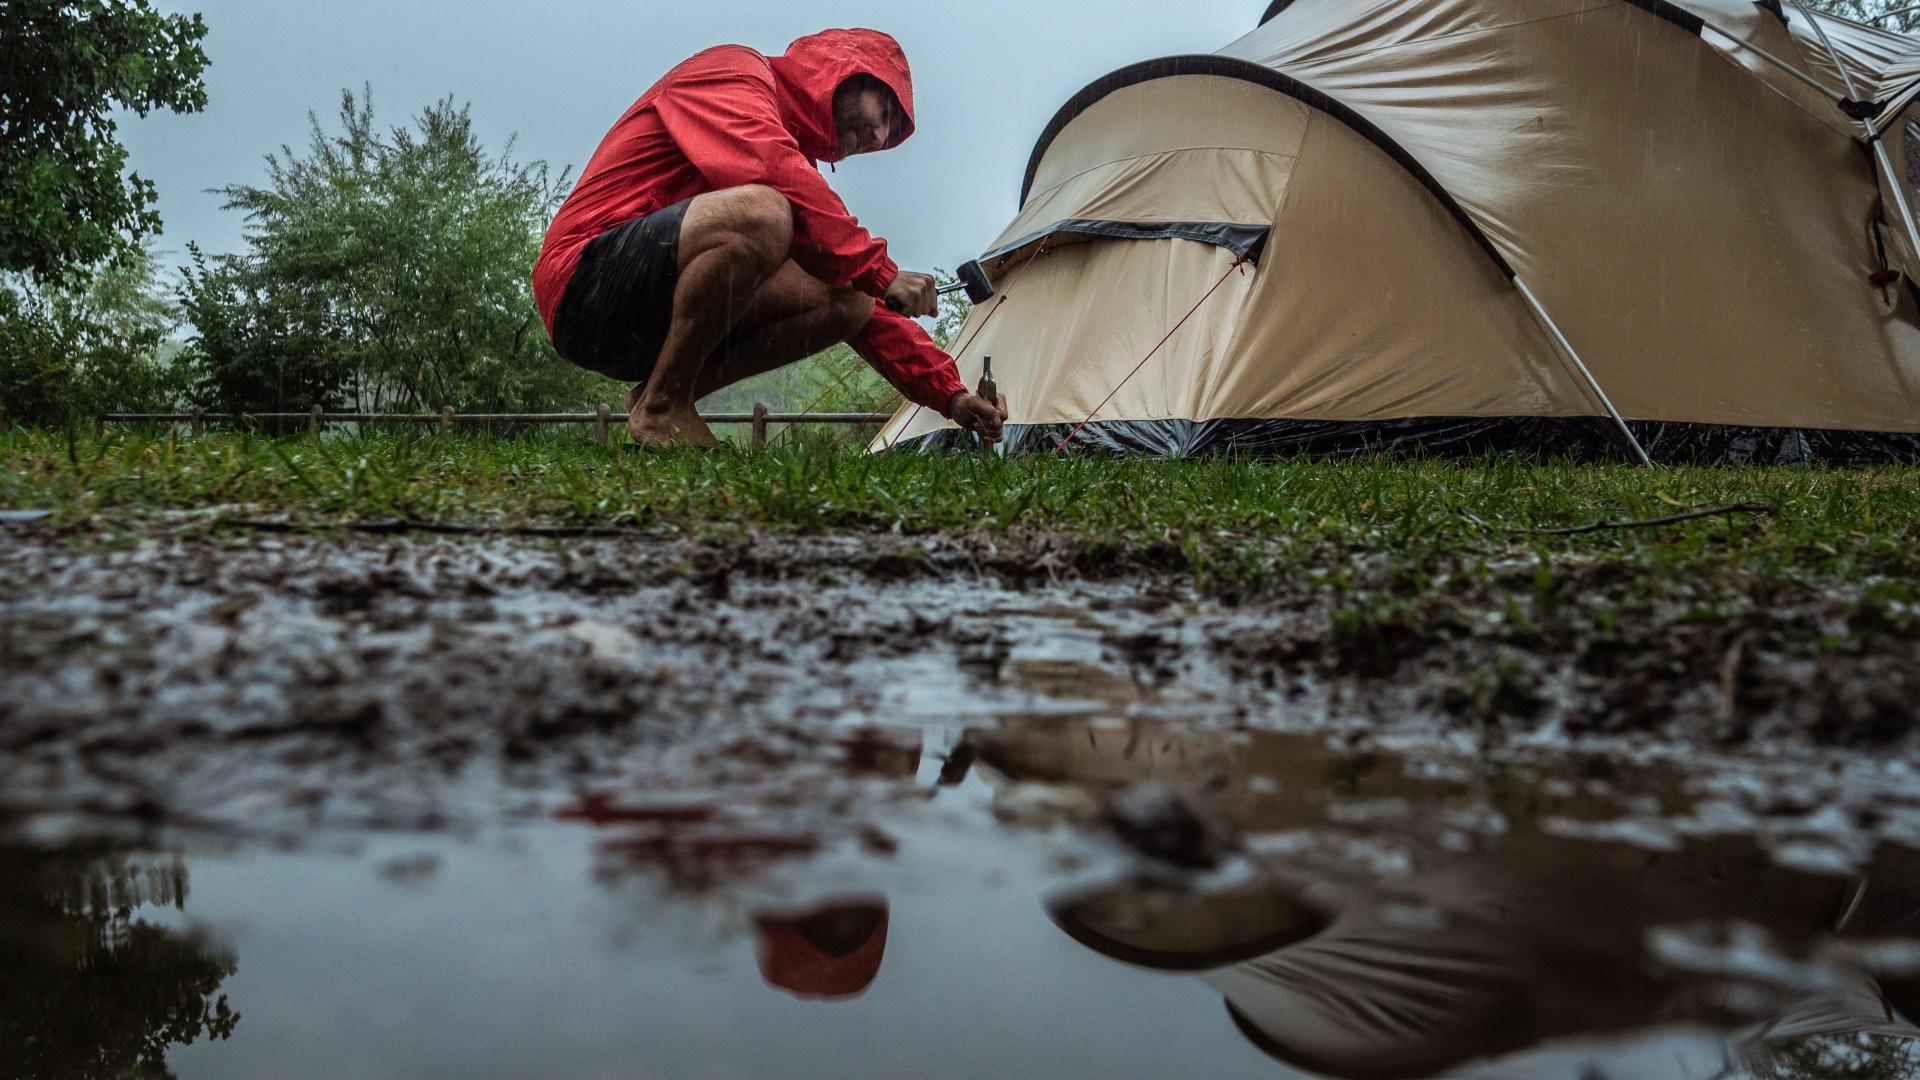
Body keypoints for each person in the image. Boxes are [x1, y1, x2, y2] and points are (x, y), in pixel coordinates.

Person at [532, 29, 1007, 448]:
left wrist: (951, 394)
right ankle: (665, 406)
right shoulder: (735, 72)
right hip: (585, 285)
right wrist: (882, 271)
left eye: (889, 135)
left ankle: (663, 398)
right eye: (883, 111)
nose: (879, 135)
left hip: (651, 321)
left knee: (850, 297)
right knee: (767, 212)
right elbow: (770, 168)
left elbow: (862, 293)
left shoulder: (798, 174)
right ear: (844, 72)